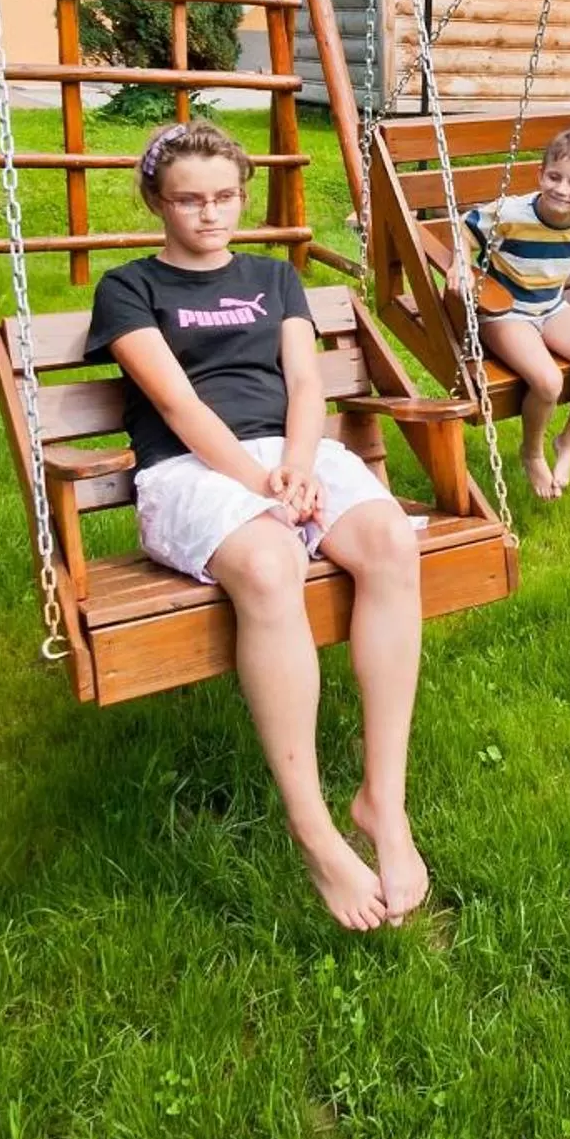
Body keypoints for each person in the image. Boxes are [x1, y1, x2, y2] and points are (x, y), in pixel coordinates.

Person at [87, 121, 429, 930]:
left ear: (242, 194)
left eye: (223, 197)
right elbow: (175, 402)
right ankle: (311, 825)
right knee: (273, 561)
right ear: (155, 201)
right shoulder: (129, 287)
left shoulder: (274, 277)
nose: (208, 214)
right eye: (187, 200)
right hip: (188, 467)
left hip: (292, 451)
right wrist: (259, 485)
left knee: (386, 541)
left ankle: (383, 800)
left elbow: (305, 383)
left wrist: (301, 466)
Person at [457, 125, 570, 499]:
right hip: (504, 312)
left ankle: (568, 442)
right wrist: (460, 265)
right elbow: (465, 226)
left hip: (552, 306)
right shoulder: (513, 212)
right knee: (547, 382)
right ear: (540, 174)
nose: (561, 189)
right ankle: (532, 452)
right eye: (554, 177)